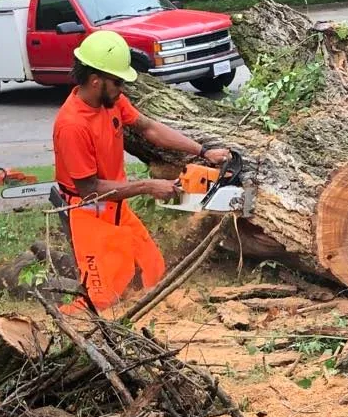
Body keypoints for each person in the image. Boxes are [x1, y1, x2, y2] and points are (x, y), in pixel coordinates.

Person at [52, 30, 231, 313]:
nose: (122, 87)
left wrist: (202, 151)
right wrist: (148, 186)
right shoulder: (72, 125)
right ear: (96, 80)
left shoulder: (111, 101)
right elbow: (89, 189)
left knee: (154, 272)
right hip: (88, 213)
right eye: (118, 81)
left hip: (117, 206)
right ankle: (64, 327)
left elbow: (149, 128)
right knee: (102, 300)